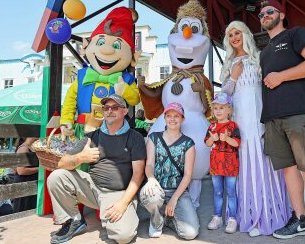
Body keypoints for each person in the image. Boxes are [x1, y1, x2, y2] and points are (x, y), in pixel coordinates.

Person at [258, 0, 305, 243]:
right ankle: (301, 219)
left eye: (269, 11)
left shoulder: (296, 34)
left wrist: (281, 76)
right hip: (273, 118)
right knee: (289, 171)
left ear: (281, 14)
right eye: (261, 14)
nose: (264, 15)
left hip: (299, 113)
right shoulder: (264, 52)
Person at [220, 20, 290, 237]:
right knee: (245, 164)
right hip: (240, 121)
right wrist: (233, 75)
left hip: (260, 117)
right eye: (230, 35)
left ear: (245, 34)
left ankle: (267, 214)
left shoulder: (259, 58)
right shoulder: (229, 63)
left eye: (237, 33)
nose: (234, 37)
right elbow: (225, 94)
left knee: (264, 161)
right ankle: (248, 213)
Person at [47, 94, 146, 244]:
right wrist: (81, 158)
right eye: (106, 108)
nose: (109, 111)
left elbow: (138, 175)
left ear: (125, 111)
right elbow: (61, 163)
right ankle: (73, 220)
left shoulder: (135, 137)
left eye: (115, 107)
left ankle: (123, 214)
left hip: (118, 194)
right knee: (57, 176)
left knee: (123, 237)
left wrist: (123, 203)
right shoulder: (91, 137)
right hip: (91, 189)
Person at [139, 102, 199, 240]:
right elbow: (149, 164)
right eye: (169, 115)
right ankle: (156, 220)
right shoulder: (154, 138)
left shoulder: (188, 143)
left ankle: (168, 218)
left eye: (176, 116)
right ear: (164, 118)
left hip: (178, 191)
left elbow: (188, 175)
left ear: (182, 119)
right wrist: (151, 179)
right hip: (157, 187)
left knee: (190, 233)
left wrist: (174, 199)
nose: (172, 119)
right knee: (151, 197)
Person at [205, 93, 241, 234]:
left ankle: (232, 219)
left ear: (229, 110)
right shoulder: (212, 126)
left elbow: (237, 143)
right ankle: (217, 217)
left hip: (230, 166)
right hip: (215, 166)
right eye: (215, 108)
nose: (218, 111)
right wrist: (213, 139)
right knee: (218, 192)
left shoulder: (233, 126)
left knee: (231, 192)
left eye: (222, 107)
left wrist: (226, 138)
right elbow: (207, 143)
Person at [13, 137, 39, 212]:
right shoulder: (23, 148)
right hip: (24, 183)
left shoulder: (32, 147)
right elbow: (21, 170)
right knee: (22, 208)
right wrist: (39, 169)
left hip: (32, 183)